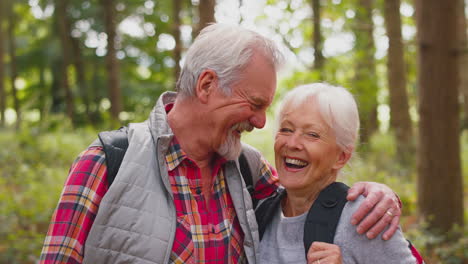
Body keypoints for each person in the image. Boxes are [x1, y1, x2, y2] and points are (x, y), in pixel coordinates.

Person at [39, 24, 404, 264]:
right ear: (207, 85)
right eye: (255, 104)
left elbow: (310, 197)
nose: (261, 122)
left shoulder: (249, 169)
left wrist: (378, 194)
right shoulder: (106, 162)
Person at [256, 83, 424, 264]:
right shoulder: (259, 207)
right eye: (286, 129)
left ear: (341, 157)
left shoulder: (364, 217)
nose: (292, 143)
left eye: (312, 134)